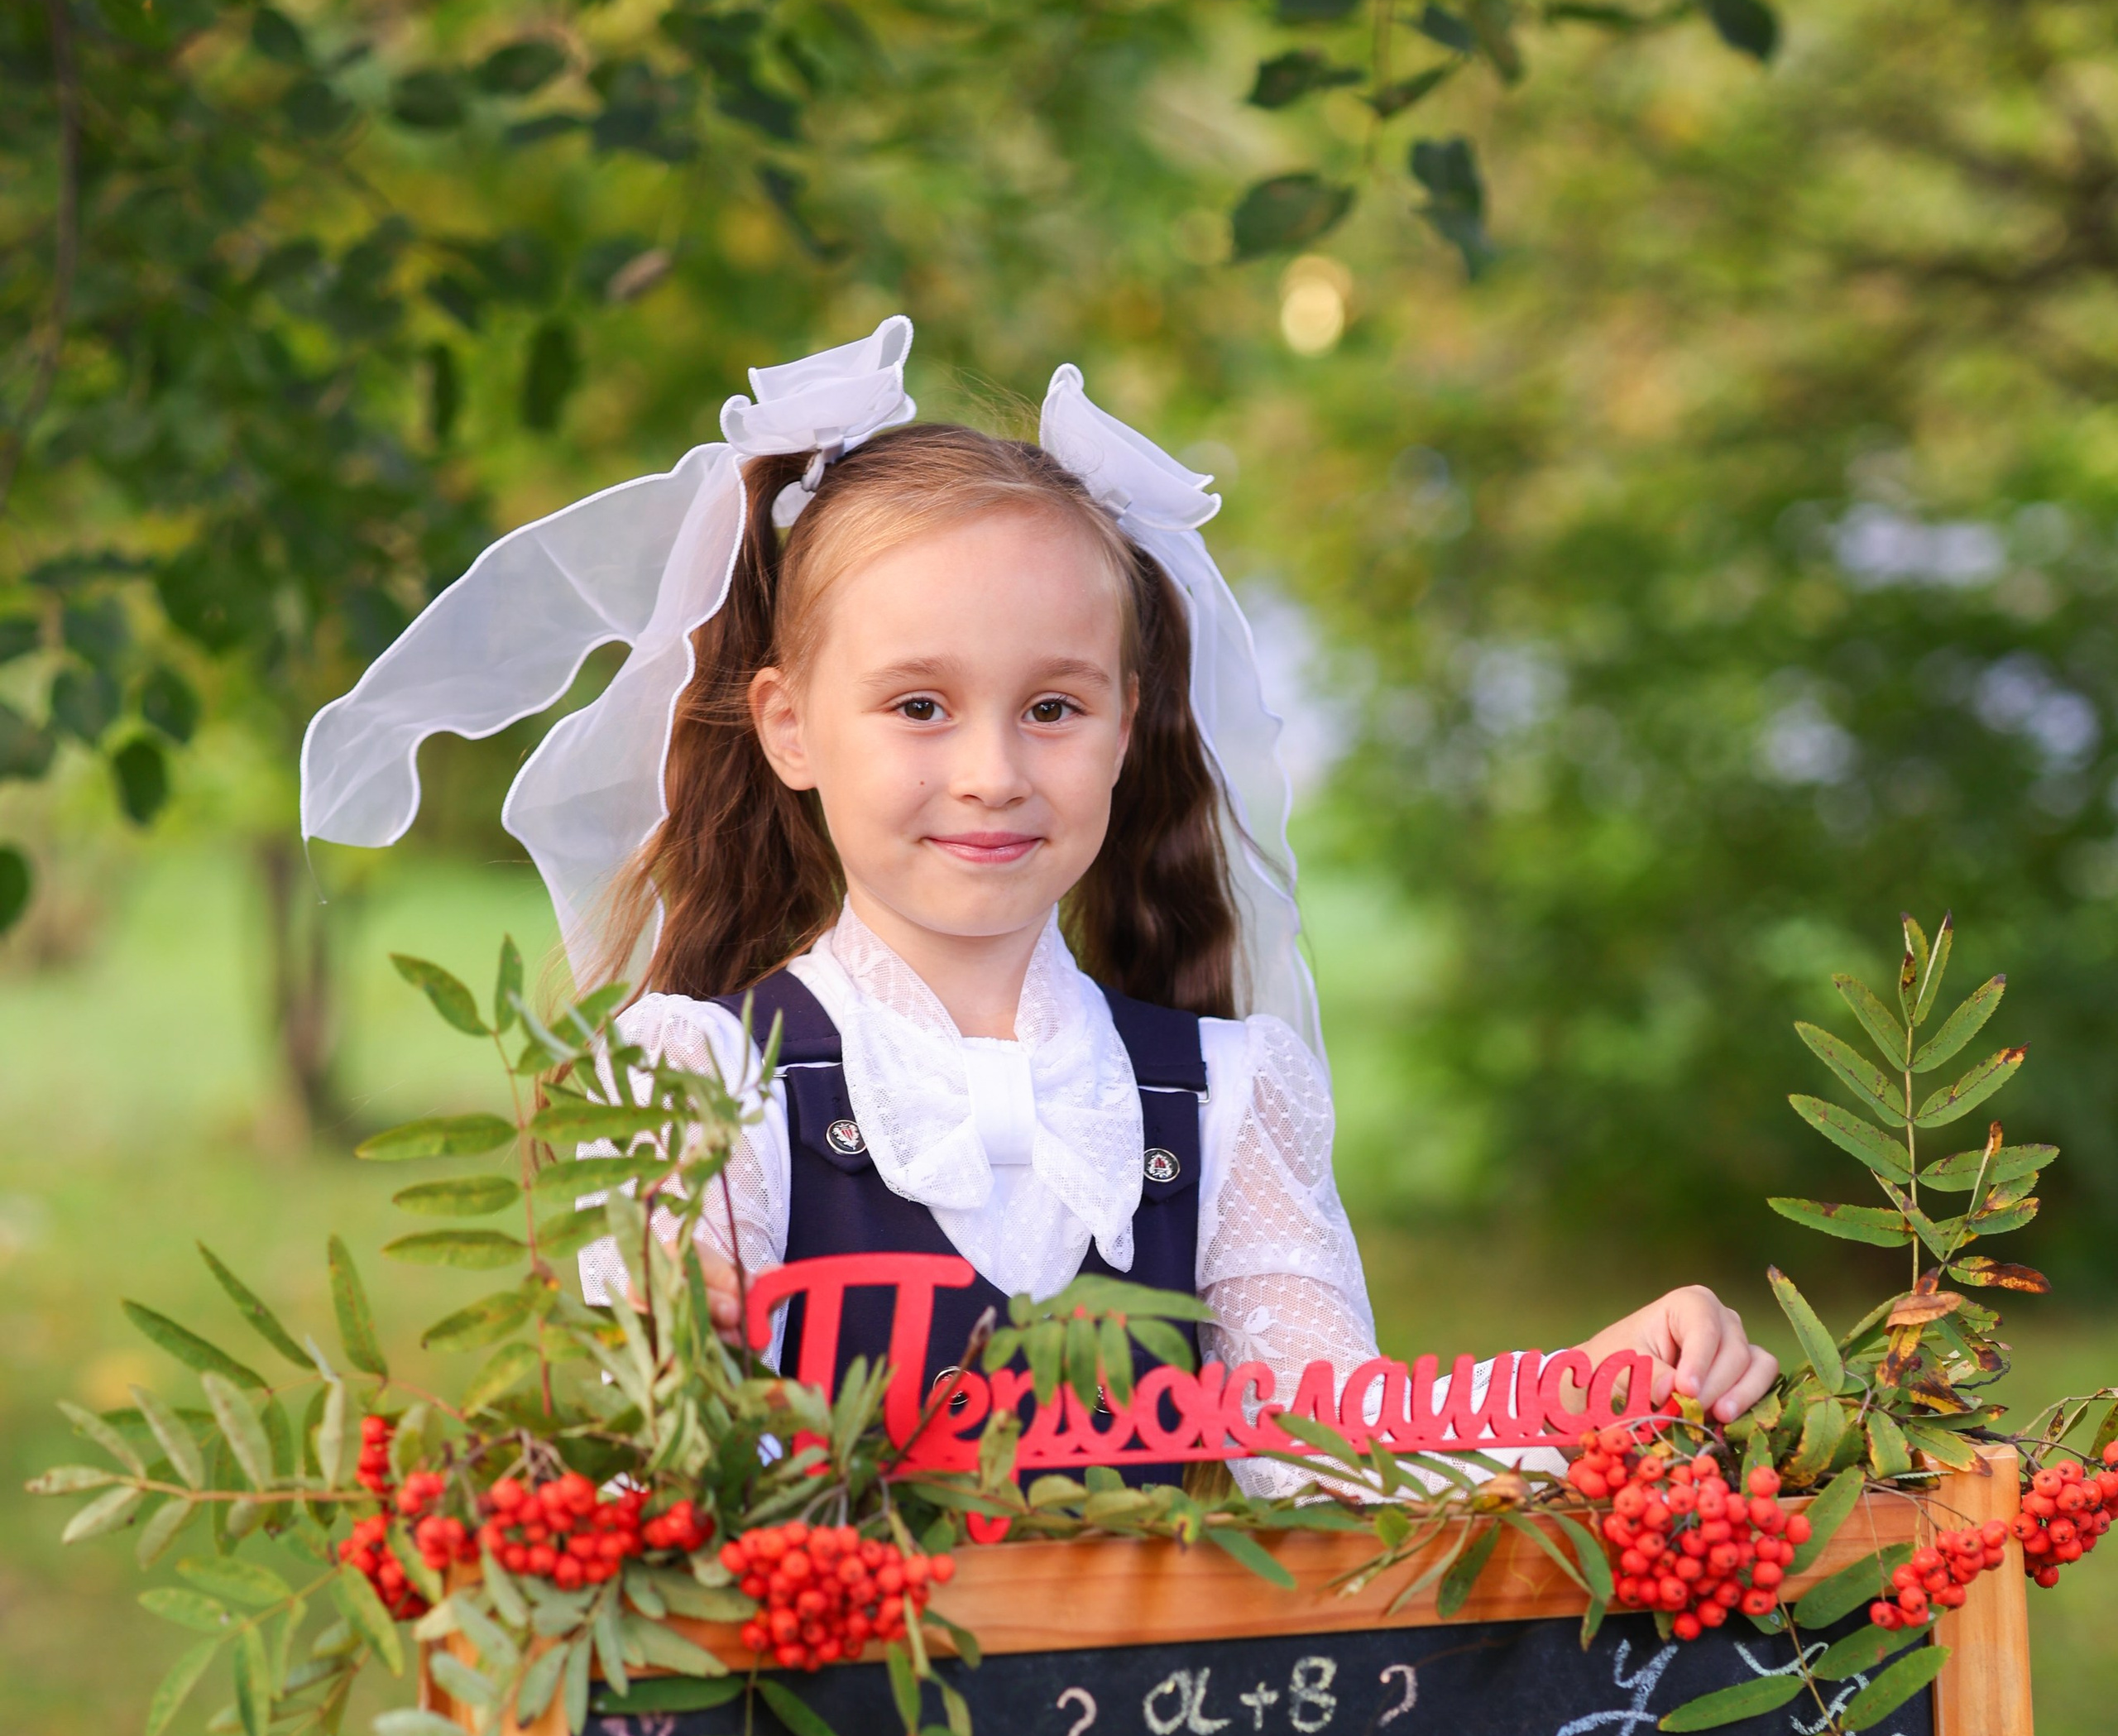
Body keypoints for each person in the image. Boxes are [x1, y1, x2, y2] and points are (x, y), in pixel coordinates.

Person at [300, 318, 1776, 1483]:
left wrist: (1592, 1387)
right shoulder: (696, 1089)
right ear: (792, 725)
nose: (995, 771)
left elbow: (1325, 1448)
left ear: (1130, 726)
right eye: (923, 705)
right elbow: (659, 1475)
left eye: (1054, 708)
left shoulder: (1223, 1099)